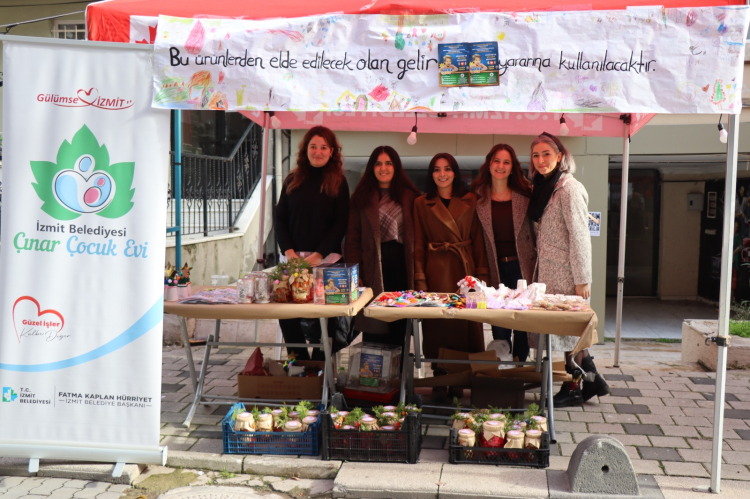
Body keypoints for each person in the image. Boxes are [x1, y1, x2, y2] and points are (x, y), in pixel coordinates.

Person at [526, 132, 609, 407]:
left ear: (560, 156)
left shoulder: (569, 188)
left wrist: (583, 279)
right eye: (536, 155)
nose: (541, 160)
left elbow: (580, 236)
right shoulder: (543, 186)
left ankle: (575, 386)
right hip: (549, 272)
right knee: (565, 333)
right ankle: (592, 381)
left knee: (569, 333)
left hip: (566, 273)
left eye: (546, 154)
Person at [414, 153, 489, 401]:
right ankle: (439, 377)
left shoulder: (471, 200)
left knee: (465, 324)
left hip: (465, 271)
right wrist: (420, 279)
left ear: (455, 172)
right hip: (436, 269)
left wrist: (481, 276)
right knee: (438, 326)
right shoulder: (421, 203)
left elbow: (478, 241)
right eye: (437, 169)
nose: (442, 174)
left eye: (447, 168)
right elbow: (418, 244)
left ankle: (461, 377)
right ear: (431, 174)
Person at [275, 126, 349, 361]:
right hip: (292, 262)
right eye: (313, 146)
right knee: (288, 317)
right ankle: (299, 364)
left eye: (323, 147)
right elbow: (280, 218)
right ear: (305, 149)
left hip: (327, 263)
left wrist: (318, 255)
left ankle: (319, 369)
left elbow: (341, 223)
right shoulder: (292, 179)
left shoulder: (339, 182)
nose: (318, 152)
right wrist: (289, 253)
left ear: (332, 151)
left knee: (325, 322)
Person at [344, 145, 420, 350]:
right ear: (372, 167)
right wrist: (355, 273)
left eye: (388, 163)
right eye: (378, 163)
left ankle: (400, 368)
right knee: (374, 321)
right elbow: (352, 239)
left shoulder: (410, 197)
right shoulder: (361, 197)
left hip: (403, 265)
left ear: (396, 167)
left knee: (400, 320)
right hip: (373, 266)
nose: (383, 168)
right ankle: (374, 369)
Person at [470, 144, 535, 363]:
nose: (501, 166)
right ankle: (502, 367)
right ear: (489, 165)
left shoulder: (525, 195)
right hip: (493, 266)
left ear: (512, 167)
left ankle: (520, 367)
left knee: (522, 322)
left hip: (521, 267)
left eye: (506, 162)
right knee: (499, 322)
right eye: (497, 161)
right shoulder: (477, 198)